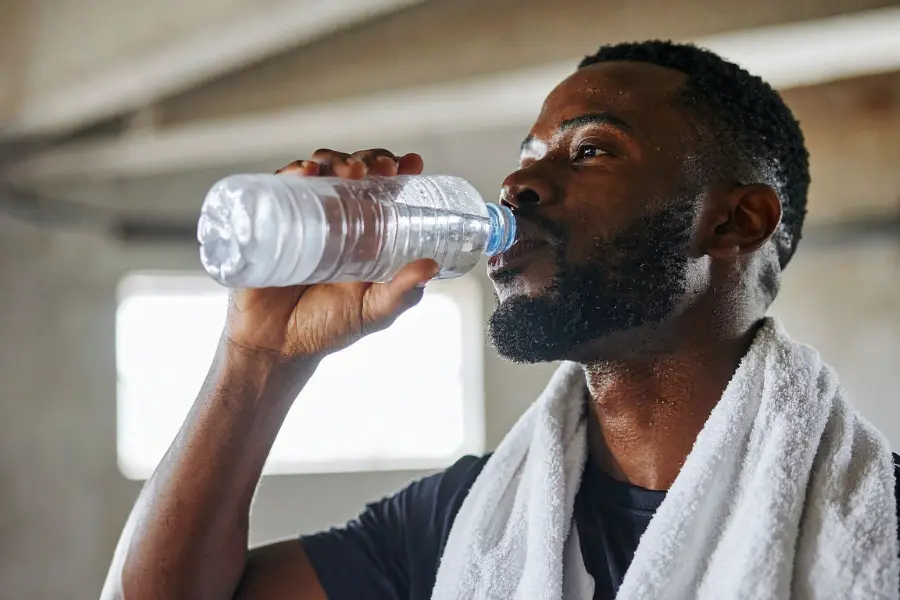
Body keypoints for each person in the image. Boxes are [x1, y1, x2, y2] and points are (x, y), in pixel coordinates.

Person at [100, 40, 900, 600]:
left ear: (734, 223)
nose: (520, 181)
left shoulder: (877, 523)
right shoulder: (467, 522)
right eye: (528, 152)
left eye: (589, 151)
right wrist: (259, 354)